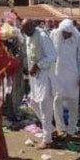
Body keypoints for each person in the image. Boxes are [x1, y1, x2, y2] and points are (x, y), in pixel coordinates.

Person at [21, 18, 57, 148]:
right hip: (35, 78)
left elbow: (52, 56)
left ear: (33, 26)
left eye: (27, 29)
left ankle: (47, 140)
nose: (26, 32)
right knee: (33, 102)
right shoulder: (29, 37)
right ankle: (51, 130)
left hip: (45, 76)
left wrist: (38, 65)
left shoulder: (42, 36)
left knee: (44, 106)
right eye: (24, 30)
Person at [51, 19, 80, 140]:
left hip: (73, 76)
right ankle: (60, 128)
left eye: (68, 33)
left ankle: (71, 131)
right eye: (64, 32)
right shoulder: (54, 35)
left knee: (73, 104)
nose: (65, 35)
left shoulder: (79, 39)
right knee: (57, 101)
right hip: (57, 75)